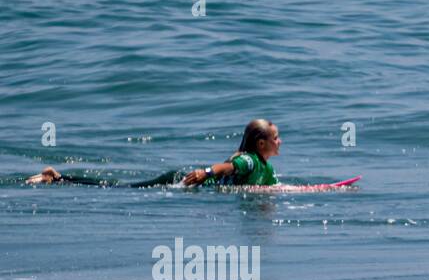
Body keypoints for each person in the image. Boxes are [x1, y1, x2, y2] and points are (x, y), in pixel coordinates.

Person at [26, 119, 280, 187]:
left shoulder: (266, 168)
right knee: (122, 187)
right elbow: (228, 167)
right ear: (260, 144)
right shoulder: (249, 160)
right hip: (180, 179)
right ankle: (57, 178)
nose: (280, 142)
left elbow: (273, 187)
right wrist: (206, 172)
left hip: (192, 181)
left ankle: (59, 179)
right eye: (275, 137)